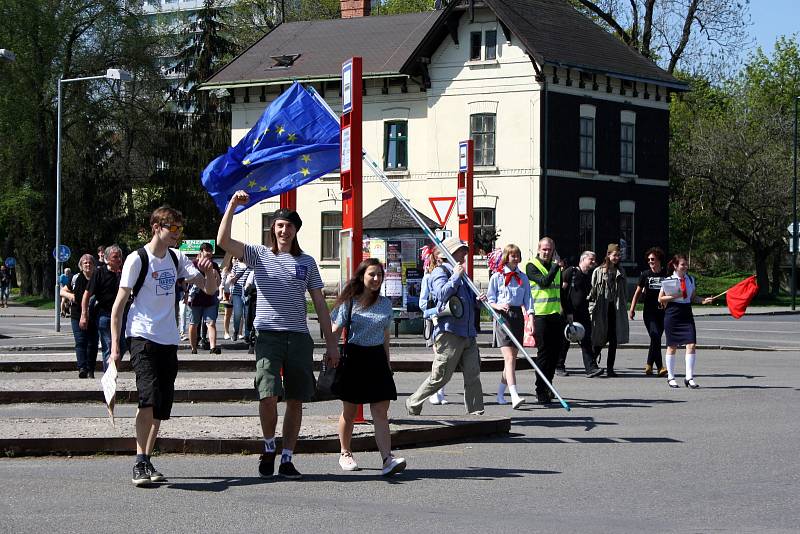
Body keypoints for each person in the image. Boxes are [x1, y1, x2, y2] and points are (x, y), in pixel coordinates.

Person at [217, 190, 340, 480]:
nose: (284, 230)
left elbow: (320, 303)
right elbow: (223, 241)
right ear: (273, 229)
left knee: (296, 398)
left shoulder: (307, 262)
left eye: (289, 226)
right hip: (268, 336)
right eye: (279, 225)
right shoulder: (259, 255)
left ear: (296, 230)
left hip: (298, 336)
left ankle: (287, 457)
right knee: (268, 394)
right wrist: (233, 206)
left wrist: (331, 344)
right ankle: (269, 446)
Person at [108, 206, 219, 486]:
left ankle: (146, 458)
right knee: (147, 397)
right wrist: (114, 348)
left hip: (168, 339)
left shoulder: (176, 257)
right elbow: (118, 306)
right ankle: (139, 462)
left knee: (160, 406)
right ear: (157, 227)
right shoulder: (137, 259)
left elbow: (208, 289)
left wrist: (210, 274)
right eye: (174, 229)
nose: (178, 234)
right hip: (142, 336)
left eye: (181, 229)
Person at [331, 258, 406, 476]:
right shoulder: (350, 302)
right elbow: (336, 330)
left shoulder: (385, 304)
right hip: (354, 358)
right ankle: (345, 453)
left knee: (381, 411)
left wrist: (387, 362)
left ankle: (387, 458)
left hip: (377, 359)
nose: (376, 279)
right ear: (362, 276)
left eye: (379, 275)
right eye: (371, 274)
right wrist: (331, 350)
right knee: (350, 410)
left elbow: (385, 335)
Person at [406, 236, 487, 416]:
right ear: (449, 254)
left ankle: (476, 410)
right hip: (449, 332)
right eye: (461, 250)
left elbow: (467, 302)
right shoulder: (440, 272)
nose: (465, 253)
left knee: (473, 373)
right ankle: (413, 401)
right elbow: (442, 295)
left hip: (467, 333)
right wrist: (456, 277)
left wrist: (478, 301)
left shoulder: (462, 274)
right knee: (441, 377)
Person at [487, 244, 532, 408]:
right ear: (506, 257)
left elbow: (528, 299)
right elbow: (489, 300)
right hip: (503, 317)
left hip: (517, 316)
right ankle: (514, 395)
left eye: (517, 255)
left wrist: (531, 319)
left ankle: (500, 394)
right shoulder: (497, 277)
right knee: (509, 358)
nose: (516, 258)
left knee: (511, 360)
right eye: (513, 255)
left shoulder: (523, 277)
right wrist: (498, 306)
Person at [658, 254, 713, 388]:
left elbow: (693, 297)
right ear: (676, 266)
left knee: (691, 344)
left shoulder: (690, 279)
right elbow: (660, 299)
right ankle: (671, 377)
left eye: (686, 264)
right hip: (672, 313)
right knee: (672, 346)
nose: (685, 267)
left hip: (686, 313)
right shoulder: (669, 280)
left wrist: (703, 300)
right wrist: (675, 295)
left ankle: (689, 377)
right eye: (682, 264)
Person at [525, 237, 568, 404]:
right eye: (544, 249)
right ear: (538, 249)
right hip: (540, 315)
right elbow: (544, 283)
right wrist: (557, 266)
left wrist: (568, 314)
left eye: (549, 249)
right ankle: (540, 390)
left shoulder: (555, 268)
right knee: (543, 355)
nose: (546, 252)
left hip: (555, 315)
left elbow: (560, 292)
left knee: (554, 355)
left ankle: (549, 386)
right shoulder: (531, 266)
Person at [560, 251, 603, 377]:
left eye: (594, 260)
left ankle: (591, 368)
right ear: (583, 259)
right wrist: (566, 311)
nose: (594, 262)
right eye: (591, 259)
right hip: (569, 312)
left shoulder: (590, 276)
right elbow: (562, 292)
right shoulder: (571, 272)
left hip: (583, 312)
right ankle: (559, 365)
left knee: (586, 340)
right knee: (565, 340)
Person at [589, 244, 630, 377]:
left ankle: (610, 368)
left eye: (618, 255)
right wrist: (591, 308)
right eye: (614, 255)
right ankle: (591, 363)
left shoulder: (621, 271)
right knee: (601, 336)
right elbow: (592, 292)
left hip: (615, 309)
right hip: (601, 308)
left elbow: (624, 291)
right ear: (608, 255)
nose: (616, 258)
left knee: (613, 339)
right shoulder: (599, 271)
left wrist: (625, 305)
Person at [81, 245, 123, 370]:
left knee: (124, 343)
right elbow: (86, 295)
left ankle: (114, 366)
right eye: (115, 257)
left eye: (120, 256)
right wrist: (84, 315)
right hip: (105, 314)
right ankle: (109, 376)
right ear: (107, 258)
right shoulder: (99, 272)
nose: (119, 259)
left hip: (122, 314)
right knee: (108, 345)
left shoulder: (124, 273)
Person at [629, 247, 668, 376]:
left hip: (663, 312)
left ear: (659, 260)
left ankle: (649, 365)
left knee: (655, 339)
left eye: (653, 259)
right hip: (649, 313)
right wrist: (632, 309)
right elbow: (637, 293)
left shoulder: (666, 275)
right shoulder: (645, 275)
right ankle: (660, 367)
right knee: (655, 335)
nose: (650, 261)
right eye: (649, 259)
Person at [60, 254, 98, 378]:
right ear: (81, 266)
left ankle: (91, 369)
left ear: (94, 265)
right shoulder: (75, 278)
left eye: (90, 263)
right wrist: (72, 297)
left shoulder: (98, 277)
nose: (88, 265)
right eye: (85, 263)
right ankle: (82, 368)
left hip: (94, 314)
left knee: (92, 343)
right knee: (80, 341)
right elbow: (62, 291)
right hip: (77, 314)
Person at [418, 244, 447, 405]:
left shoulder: (448, 276)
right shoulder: (428, 277)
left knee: (445, 358)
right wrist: (438, 310)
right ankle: (434, 392)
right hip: (434, 320)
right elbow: (423, 304)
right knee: (440, 357)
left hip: (448, 319)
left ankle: (440, 392)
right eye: (443, 258)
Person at [189, 242, 221, 355]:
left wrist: (215, 274)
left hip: (210, 300)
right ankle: (193, 348)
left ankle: (213, 348)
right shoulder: (193, 264)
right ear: (201, 252)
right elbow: (187, 280)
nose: (209, 253)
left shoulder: (214, 265)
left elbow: (218, 284)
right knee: (194, 323)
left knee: (211, 323)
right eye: (207, 250)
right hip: (195, 300)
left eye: (210, 251)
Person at [229, 257, 250, 341]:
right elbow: (231, 276)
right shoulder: (236, 265)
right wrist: (231, 278)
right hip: (237, 292)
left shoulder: (250, 265)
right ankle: (236, 331)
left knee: (247, 314)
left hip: (248, 293)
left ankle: (247, 335)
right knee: (238, 313)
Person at [219, 252, 234, 339]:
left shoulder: (241, 268)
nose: (235, 260)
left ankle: (238, 332)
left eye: (236, 259)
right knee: (227, 314)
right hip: (227, 294)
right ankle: (226, 332)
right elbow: (222, 284)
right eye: (233, 259)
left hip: (237, 293)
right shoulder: (226, 270)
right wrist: (223, 295)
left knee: (239, 315)